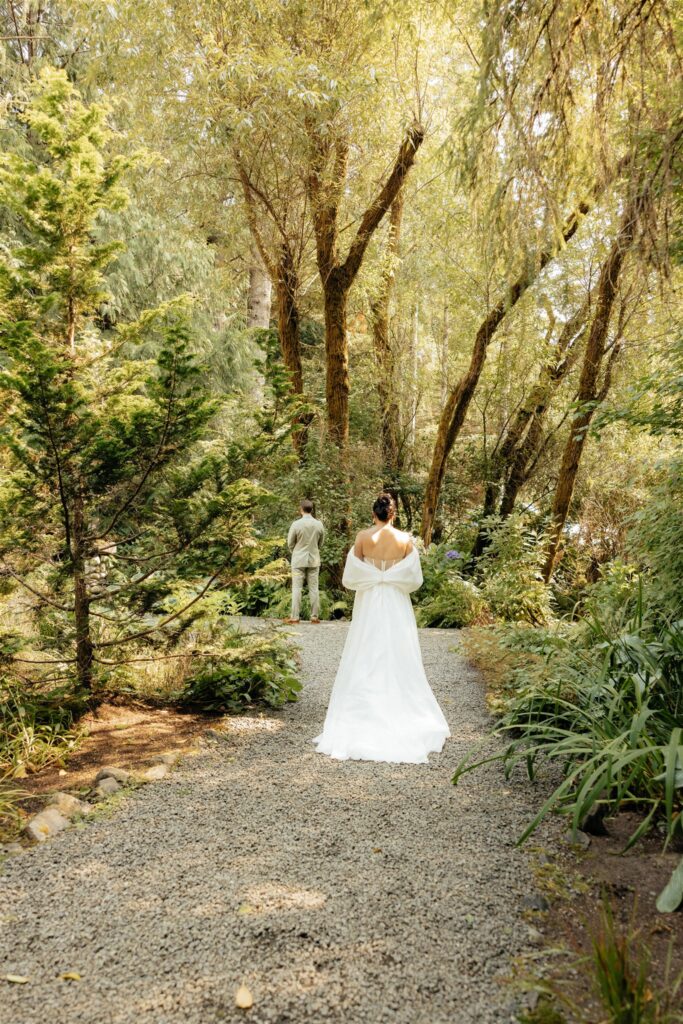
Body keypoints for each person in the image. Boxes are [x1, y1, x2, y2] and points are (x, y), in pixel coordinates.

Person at [312, 492, 450, 763]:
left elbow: (351, 576)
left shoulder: (362, 537)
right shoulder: (405, 540)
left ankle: (362, 708)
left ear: (373, 514)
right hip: (396, 600)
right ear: (393, 514)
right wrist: (390, 576)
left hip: (371, 599)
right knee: (399, 649)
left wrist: (375, 576)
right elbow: (414, 578)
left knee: (366, 648)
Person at [285, 499, 325, 625]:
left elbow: (290, 543)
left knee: (297, 588)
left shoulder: (296, 524)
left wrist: (296, 552)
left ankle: (295, 617)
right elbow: (321, 543)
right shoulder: (319, 524)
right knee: (314, 589)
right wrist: (314, 550)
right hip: (314, 559)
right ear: (311, 510)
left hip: (298, 560)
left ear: (301, 509)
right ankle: (314, 617)